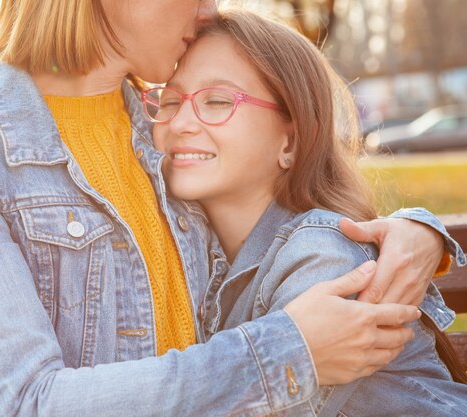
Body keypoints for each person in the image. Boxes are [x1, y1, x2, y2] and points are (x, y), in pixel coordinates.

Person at [0, 1, 458, 416]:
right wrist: (292, 348)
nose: (209, 10)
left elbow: (296, 205)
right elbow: (22, 401)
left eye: (212, 102)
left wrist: (420, 231)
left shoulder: (160, 135)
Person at [146, 8, 467, 415]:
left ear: (290, 143)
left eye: (218, 101)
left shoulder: (324, 253)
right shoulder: (197, 261)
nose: (180, 122)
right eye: (170, 100)